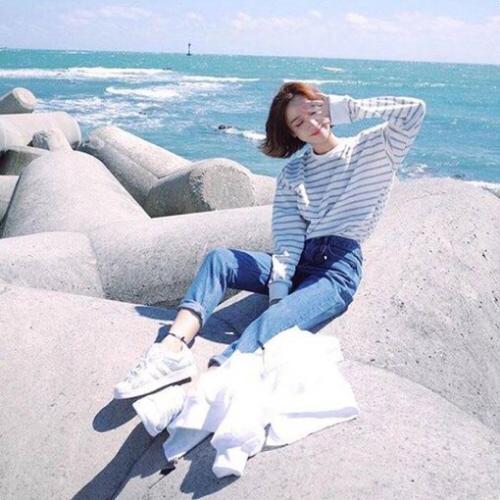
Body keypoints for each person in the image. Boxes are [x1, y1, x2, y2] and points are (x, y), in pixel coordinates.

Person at [113, 81, 427, 400]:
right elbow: (288, 240)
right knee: (221, 259)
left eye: (313, 110)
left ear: (326, 105)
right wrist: (279, 293)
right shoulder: (294, 173)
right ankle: (171, 349)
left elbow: (414, 111)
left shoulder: (374, 148)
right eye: (299, 122)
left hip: (336, 269)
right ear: (293, 134)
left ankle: (199, 390)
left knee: (270, 322)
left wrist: (346, 108)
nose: (311, 123)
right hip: (298, 260)